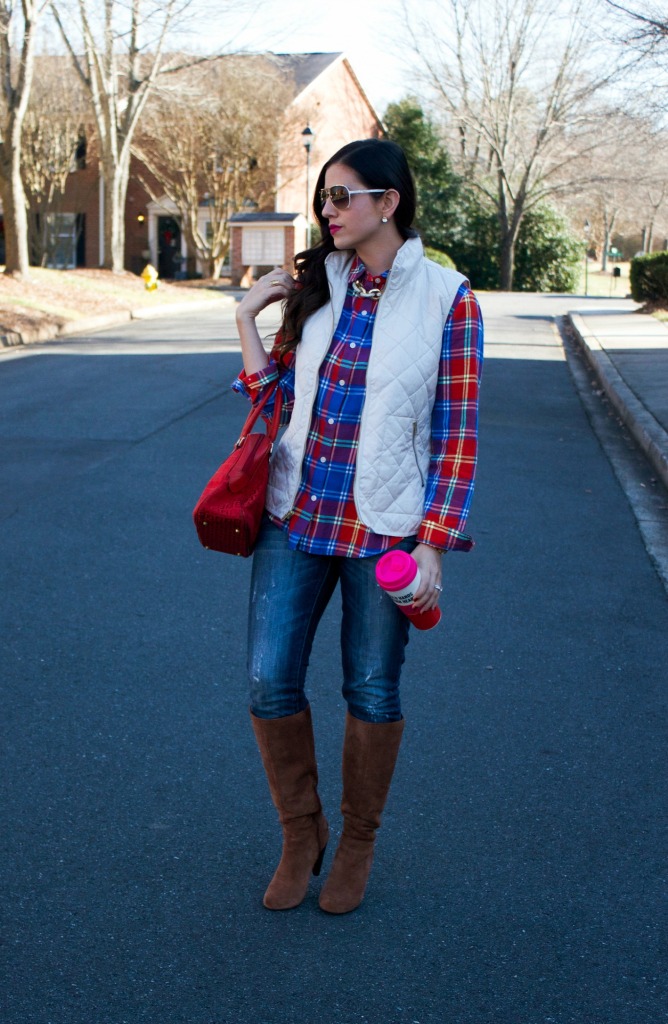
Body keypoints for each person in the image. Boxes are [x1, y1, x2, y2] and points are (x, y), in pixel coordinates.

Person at [233, 138, 483, 915]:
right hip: (294, 512)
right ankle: (300, 834)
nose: (328, 212)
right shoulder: (318, 283)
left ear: (389, 201)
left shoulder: (449, 297)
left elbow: (459, 430)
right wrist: (248, 317)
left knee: (370, 687)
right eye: (324, 200)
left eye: (342, 197)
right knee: (268, 677)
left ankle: (360, 841)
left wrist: (434, 541)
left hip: (386, 529)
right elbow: (272, 398)